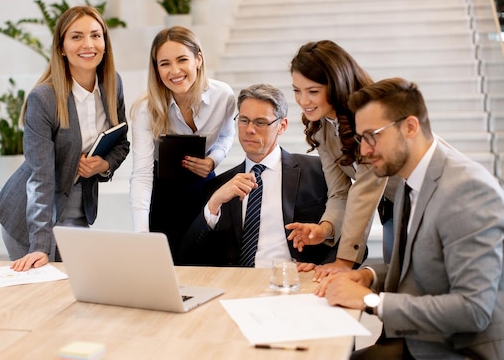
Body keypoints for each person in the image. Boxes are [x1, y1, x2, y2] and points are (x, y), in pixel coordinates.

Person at [317, 77, 504, 359]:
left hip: (458, 350)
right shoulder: (409, 180)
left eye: (372, 136)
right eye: (360, 138)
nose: (364, 151)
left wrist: (370, 300)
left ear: (410, 126)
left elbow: (473, 310)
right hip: (419, 340)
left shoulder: (467, 189)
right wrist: (366, 276)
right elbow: (421, 270)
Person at [0, 6, 130, 271]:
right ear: (61, 47)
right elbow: (40, 178)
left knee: (77, 295)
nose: (88, 44)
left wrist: (103, 165)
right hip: (31, 219)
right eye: (76, 36)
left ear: (105, 42)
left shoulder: (112, 84)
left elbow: (122, 142)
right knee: (43, 300)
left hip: (77, 210)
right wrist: (39, 246)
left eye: (95, 35)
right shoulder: (43, 99)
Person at [180, 84, 337, 268]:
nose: (250, 129)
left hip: (295, 281)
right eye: (244, 120)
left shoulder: (318, 171)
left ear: (282, 126)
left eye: (260, 122)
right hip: (237, 286)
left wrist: (325, 267)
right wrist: (214, 204)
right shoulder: (220, 186)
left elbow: (350, 239)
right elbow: (186, 257)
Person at [287, 40, 400, 277]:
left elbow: (367, 189)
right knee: (399, 283)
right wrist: (325, 228)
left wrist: (344, 262)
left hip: (424, 199)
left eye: (313, 91)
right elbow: (340, 192)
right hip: (393, 207)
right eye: (297, 90)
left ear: (337, 85)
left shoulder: (371, 115)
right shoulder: (322, 128)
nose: (303, 101)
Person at [129, 26, 236, 263]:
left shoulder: (223, 96)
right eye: (164, 63)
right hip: (163, 195)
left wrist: (212, 160)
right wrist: (141, 233)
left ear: (198, 59)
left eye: (182, 60)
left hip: (204, 186)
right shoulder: (145, 109)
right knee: (165, 267)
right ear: (156, 69)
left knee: (206, 262)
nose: (174, 71)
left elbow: (227, 136)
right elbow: (142, 173)